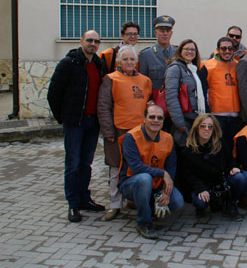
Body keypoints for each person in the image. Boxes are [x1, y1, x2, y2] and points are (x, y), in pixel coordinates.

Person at [47, 30, 107, 222]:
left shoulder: (99, 64)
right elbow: (54, 94)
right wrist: (63, 118)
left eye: (96, 41)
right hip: (74, 123)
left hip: (92, 122)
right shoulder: (69, 63)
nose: (93, 44)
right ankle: (72, 204)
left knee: (86, 164)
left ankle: (83, 198)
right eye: (89, 40)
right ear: (81, 41)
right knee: (72, 164)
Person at [97, 45, 152, 221]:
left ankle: (134, 199)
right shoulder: (111, 79)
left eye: (132, 59)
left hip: (139, 133)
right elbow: (104, 107)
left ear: (136, 62)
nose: (129, 62)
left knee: (137, 167)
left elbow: (147, 104)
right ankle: (115, 204)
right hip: (118, 130)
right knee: (116, 168)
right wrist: (107, 131)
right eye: (125, 59)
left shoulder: (145, 81)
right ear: (119, 62)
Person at [118, 105, 184, 239]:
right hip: (131, 183)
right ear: (144, 119)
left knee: (177, 202)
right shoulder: (131, 137)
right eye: (152, 117)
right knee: (144, 179)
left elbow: (171, 167)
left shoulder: (168, 138)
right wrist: (162, 174)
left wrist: (165, 191)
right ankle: (144, 222)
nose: (156, 120)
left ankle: (151, 206)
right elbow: (136, 168)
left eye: (160, 118)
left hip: (157, 184)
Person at [179, 114, 247, 220]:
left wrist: (233, 167)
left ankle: (230, 204)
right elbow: (188, 175)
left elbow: (230, 159)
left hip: (220, 181)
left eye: (210, 126)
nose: (207, 129)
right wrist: (200, 188)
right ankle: (201, 208)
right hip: (202, 184)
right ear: (196, 128)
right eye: (203, 126)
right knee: (201, 202)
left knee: (240, 178)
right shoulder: (188, 150)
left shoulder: (220, 143)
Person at [165, 39, 208, 147]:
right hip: (183, 121)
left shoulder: (193, 69)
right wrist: (179, 123)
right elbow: (171, 97)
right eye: (187, 49)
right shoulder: (175, 69)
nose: (190, 52)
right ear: (180, 51)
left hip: (194, 119)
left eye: (193, 49)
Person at [200, 37, 241, 151]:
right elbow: (203, 92)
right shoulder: (207, 66)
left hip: (235, 116)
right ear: (218, 49)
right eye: (223, 48)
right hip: (216, 116)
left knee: (232, 148)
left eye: (230, 48)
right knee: (216, 148)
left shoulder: (238, 65)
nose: (227, 51)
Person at [139, 15, 176, 91]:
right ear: (156, 33)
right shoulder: (146, 55)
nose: (165, 34)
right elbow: (143, 82)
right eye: (162, 31)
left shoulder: (178, 53)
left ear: (171, 33)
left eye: (168, 31)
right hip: (155, 100)